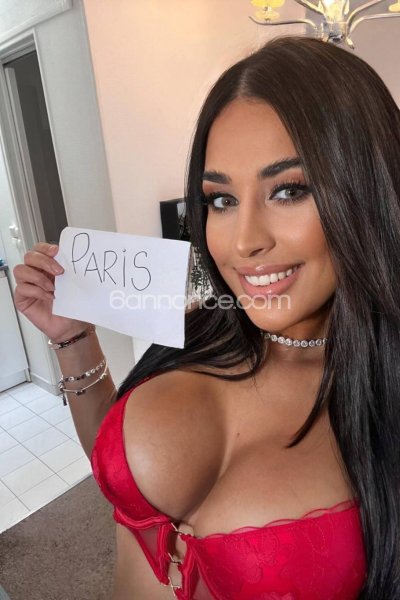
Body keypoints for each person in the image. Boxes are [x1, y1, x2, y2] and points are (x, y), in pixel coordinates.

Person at [13, 35, 400, 599]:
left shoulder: (382, 395)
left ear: (369, 188)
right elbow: (127, 486)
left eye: (288, 190)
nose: (243, 243)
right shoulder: (198, 325)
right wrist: (73, 340)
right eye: (221, 200)